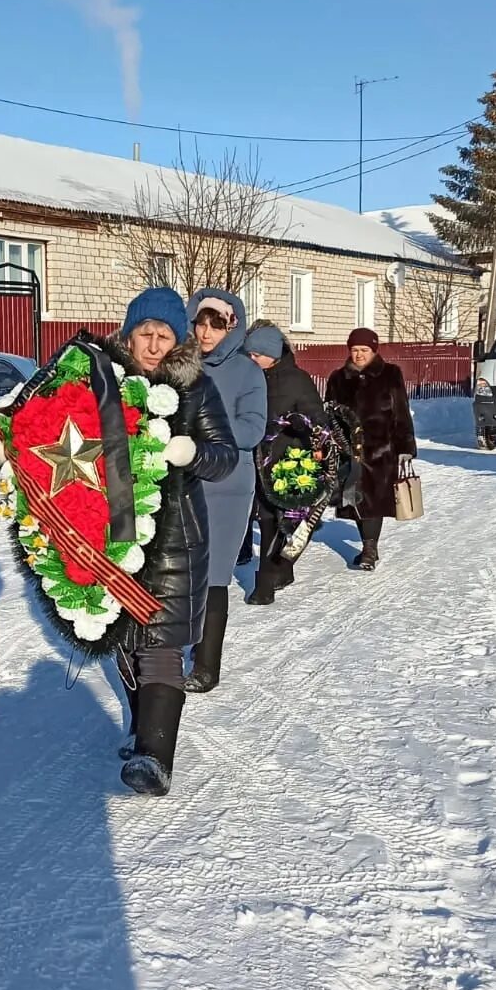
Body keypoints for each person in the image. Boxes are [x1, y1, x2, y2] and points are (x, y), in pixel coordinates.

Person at [100, 288, 238, 794]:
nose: (154, 345)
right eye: (145, 334)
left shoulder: (196, 387)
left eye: (164, 336)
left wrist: (191, 451)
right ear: (128, 333)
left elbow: (225, 455)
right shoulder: (102, 379)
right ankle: (142, 728)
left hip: (177, 533)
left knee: (160, 643)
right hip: (109, 532)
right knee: (118, 638)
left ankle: (154, 756)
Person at [183, 289, 266, 695]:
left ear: (232, 327)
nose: (206, 331)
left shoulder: (248, 373)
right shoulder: (181, 367)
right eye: (201, 322)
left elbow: (252, 429)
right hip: (185, 480)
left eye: (217, 324)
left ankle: (206, 664)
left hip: (228, 486)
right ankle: (182, 642)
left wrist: (203, 431)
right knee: (185, 571)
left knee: (214, 573)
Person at [242, 322, 327, 605]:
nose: (251, 359)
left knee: (272, 522)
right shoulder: (250, 376)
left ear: (272, 353)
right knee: (264, 519)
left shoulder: (297, 380)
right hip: (253, 457)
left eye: (256, 355)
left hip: (284, 461)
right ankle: (282, 569)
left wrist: (299, 426)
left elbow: (318, 419)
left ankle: (264, 584)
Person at [326, 328, 416, 572]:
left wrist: (405, 446)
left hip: (380, 450)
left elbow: (401, 412)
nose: (358, 355)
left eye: (364, 350)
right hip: (348, 451)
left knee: (373, 501)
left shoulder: (390, 375)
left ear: (374, 351)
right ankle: (368, 544)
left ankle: (369, 549)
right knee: (353, 500)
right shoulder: (338, 378)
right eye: (354, 350)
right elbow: (330, 414)